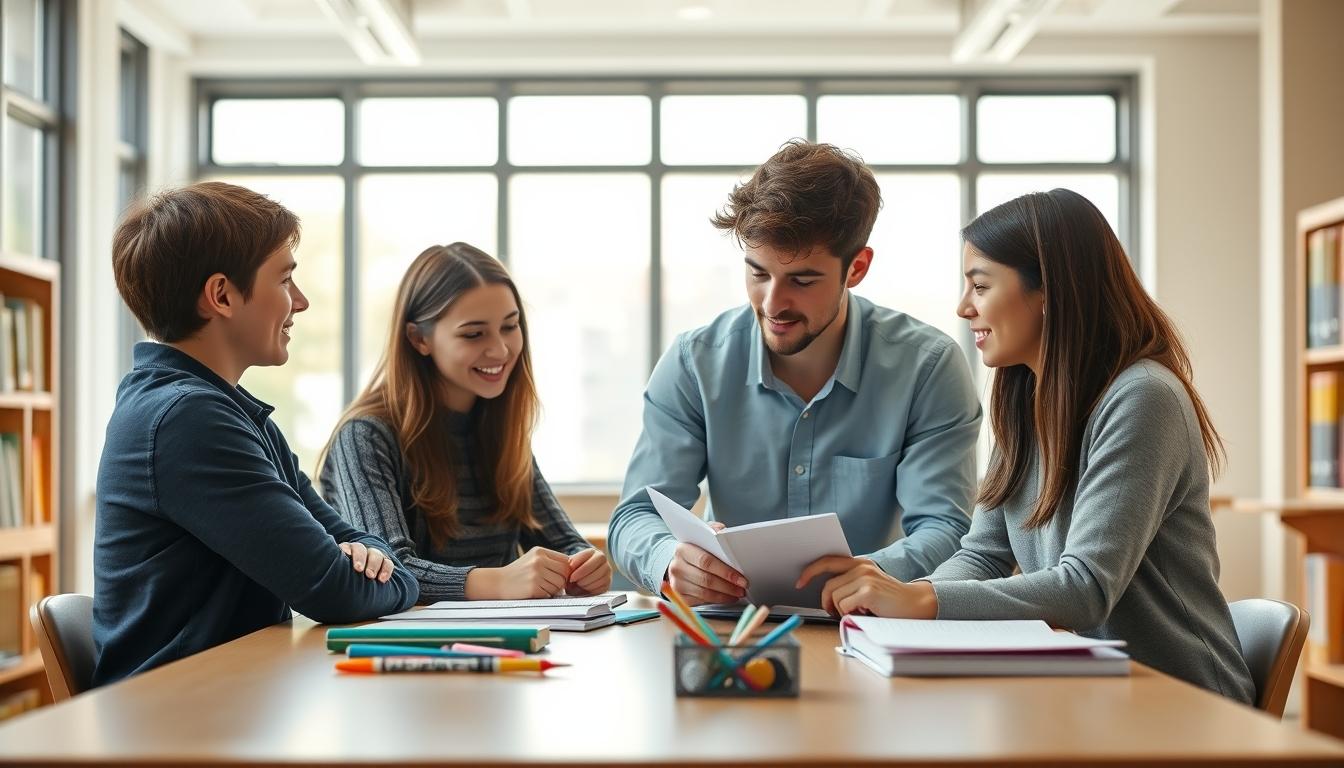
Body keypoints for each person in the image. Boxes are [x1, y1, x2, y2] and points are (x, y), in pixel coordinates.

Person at [798, 188, 1256, 703]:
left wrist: (919, 599)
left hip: (1179, 700)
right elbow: (982, 555)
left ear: (1048, 291)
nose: (963, 306)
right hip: (1083, 689)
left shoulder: (1143, 397)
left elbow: (1085, 589)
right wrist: (900, 617)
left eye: (981, 285)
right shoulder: (1028, 400)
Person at [608, 140, 982, 605]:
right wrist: (670, 559)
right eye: (758, 273)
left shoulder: (928, 368)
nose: (772, 304)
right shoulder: (693, 362)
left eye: (802, 281)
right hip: (729, 634)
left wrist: (874, 573)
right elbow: (636, 516)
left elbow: (947, 528)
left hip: (868, 626)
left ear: (857, 268)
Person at [94, 182, 419, 686]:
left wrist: (380, 563)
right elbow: (335, 589)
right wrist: (393, 574)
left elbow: (352, 541)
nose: (301, 302)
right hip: (176, 726)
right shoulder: (187, 419)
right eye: (286, 280)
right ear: (222, 295)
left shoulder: (227, 412)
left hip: (226, 704)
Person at [319, 243, 611, 601]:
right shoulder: (365, 436)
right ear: (419, 338)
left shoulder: (498, 426)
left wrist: (582, 566)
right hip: (404, 651)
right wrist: (499, 582)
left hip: (507, 643)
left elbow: (562, 541)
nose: (501, 350)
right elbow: (386, 570)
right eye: (474, 334)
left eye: (510, 326)